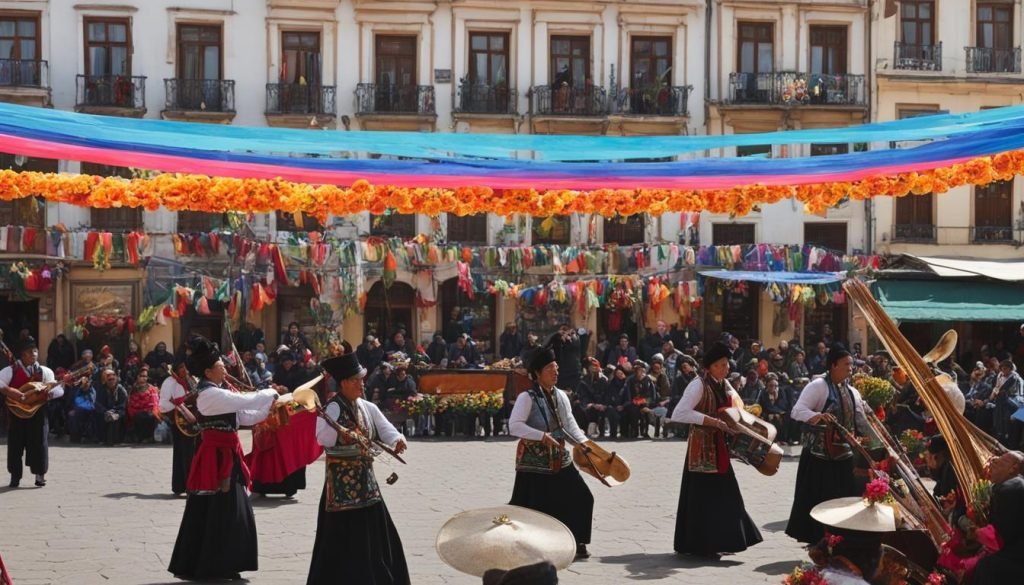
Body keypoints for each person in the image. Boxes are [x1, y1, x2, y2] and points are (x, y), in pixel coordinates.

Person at [168, 335, 280, 581]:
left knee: (230, 511)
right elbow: (244, 400)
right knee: (218, 511)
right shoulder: (208, 394)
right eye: (219, 363)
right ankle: (212, 564)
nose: (224, 365)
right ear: (208, 371)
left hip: (229, 454)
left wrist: (270, 406)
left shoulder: (219, 392)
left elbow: (246, 416)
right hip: (216, 459)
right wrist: (269, 392)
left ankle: (227, 563)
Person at [307, 352, 410, 585]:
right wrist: (340, 430)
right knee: (342, 538)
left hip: (367, 482)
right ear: (344, 383)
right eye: (357, 380)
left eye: (362, 379)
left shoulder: (365, 406)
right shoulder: (332, 409)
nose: (362, 384)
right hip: (341, 485)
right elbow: (323, 438)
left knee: (378, 534)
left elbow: (383, 426)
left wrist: (396, 439)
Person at [668, 341, 763, 558]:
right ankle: (703, 544)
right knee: (702, 499)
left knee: (728, 494)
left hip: (720, 447)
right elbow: (679, 413)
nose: (725, 368)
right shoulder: (698, 385)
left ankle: (728, 539)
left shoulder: (724, 384)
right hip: (701, 450)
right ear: (709, 366)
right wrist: (712, 421)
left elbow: (735, 408)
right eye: (721, 365)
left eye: (726, 364)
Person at [508, 341, 595, 559]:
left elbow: (569, 424)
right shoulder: (526, 397)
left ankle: (577, 540)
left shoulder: (561, 395)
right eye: (550, 369)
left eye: (556, 368)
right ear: (537, 373)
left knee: (583, 497)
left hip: (559, 457)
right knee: (535, 506)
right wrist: (541, 436)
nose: (555, 372)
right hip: (534, 462)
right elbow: (514, 425)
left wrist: (583, 444)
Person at [786, 344, 866, 544]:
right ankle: (818, 540)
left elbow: (861, 420)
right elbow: (797, 411)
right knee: (819, 500)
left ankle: (841, 539)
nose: (851, 368)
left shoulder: (852, 391)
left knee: (844, 498)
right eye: (846, 364)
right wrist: (817, 416)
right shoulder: (818, 386)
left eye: (852, 364)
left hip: (843, 456)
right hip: (818, 457)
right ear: (833, 365)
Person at [0, 340, 66, 488]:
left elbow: (58, 389)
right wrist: (10, 391)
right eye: (30, 352)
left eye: (35, 352)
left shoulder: (45, 371)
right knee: (15, 445)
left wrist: (48, 395)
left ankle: (40, 475)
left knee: (40, 443)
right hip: (16, 412)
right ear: (23, 355)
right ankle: (15, 476)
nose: (34, 355)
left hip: (38, 412)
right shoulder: (11, 369)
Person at [971, 451, 1024, 584]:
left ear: (1013, 468)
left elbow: (1004, 533)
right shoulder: (1010, 486)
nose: (994, 462)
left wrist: (979, 532)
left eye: (1001, 461)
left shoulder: (1010, 489)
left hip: (1016, 557)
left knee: (985, 567)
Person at [160, 359, 197, 496]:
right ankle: (183, 485)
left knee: (193, 453)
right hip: (179, 421)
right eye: (181, 367)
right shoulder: (169, 382)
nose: (184, 370)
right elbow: (163, 403)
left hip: (194, 420)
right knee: (183, 453)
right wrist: (181, 403)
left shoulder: (191, 380)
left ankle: (192, 484)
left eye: (185, 367)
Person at [550, 324, 590, 395]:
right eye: (564, 332)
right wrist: (559, 336)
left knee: (575, 396)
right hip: (562, 375)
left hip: (575, 374)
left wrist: (572, 336)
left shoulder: (577, 342)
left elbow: (583, 338)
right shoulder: (558, 343)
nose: (568, 335)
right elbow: (550, 344)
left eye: (571, 333)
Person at [94, 367, 128, 446]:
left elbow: (123, 404)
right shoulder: (101, 389)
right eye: (109, 379)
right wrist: (106, 411)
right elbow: (98, 403)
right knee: (101, 416)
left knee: (116, 417)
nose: (112, 381)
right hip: (105, 411)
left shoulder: (120, 389)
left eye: (113, 379)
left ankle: (116, 440)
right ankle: (102, 439)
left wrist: (114, 411)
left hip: (118, 411)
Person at [126, 367, 161, 443]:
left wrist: (147, 410)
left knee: (149, 416)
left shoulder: (152, 389)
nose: (143, 378)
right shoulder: (133, 389)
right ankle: (140, 437)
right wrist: (139, 410)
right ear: (137, 377)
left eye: (145, 376)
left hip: (150, 412)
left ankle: (148, 437)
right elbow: (131, 404)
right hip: (137, 412)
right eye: (141, 376)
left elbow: (155, 402)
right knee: (138, 416)